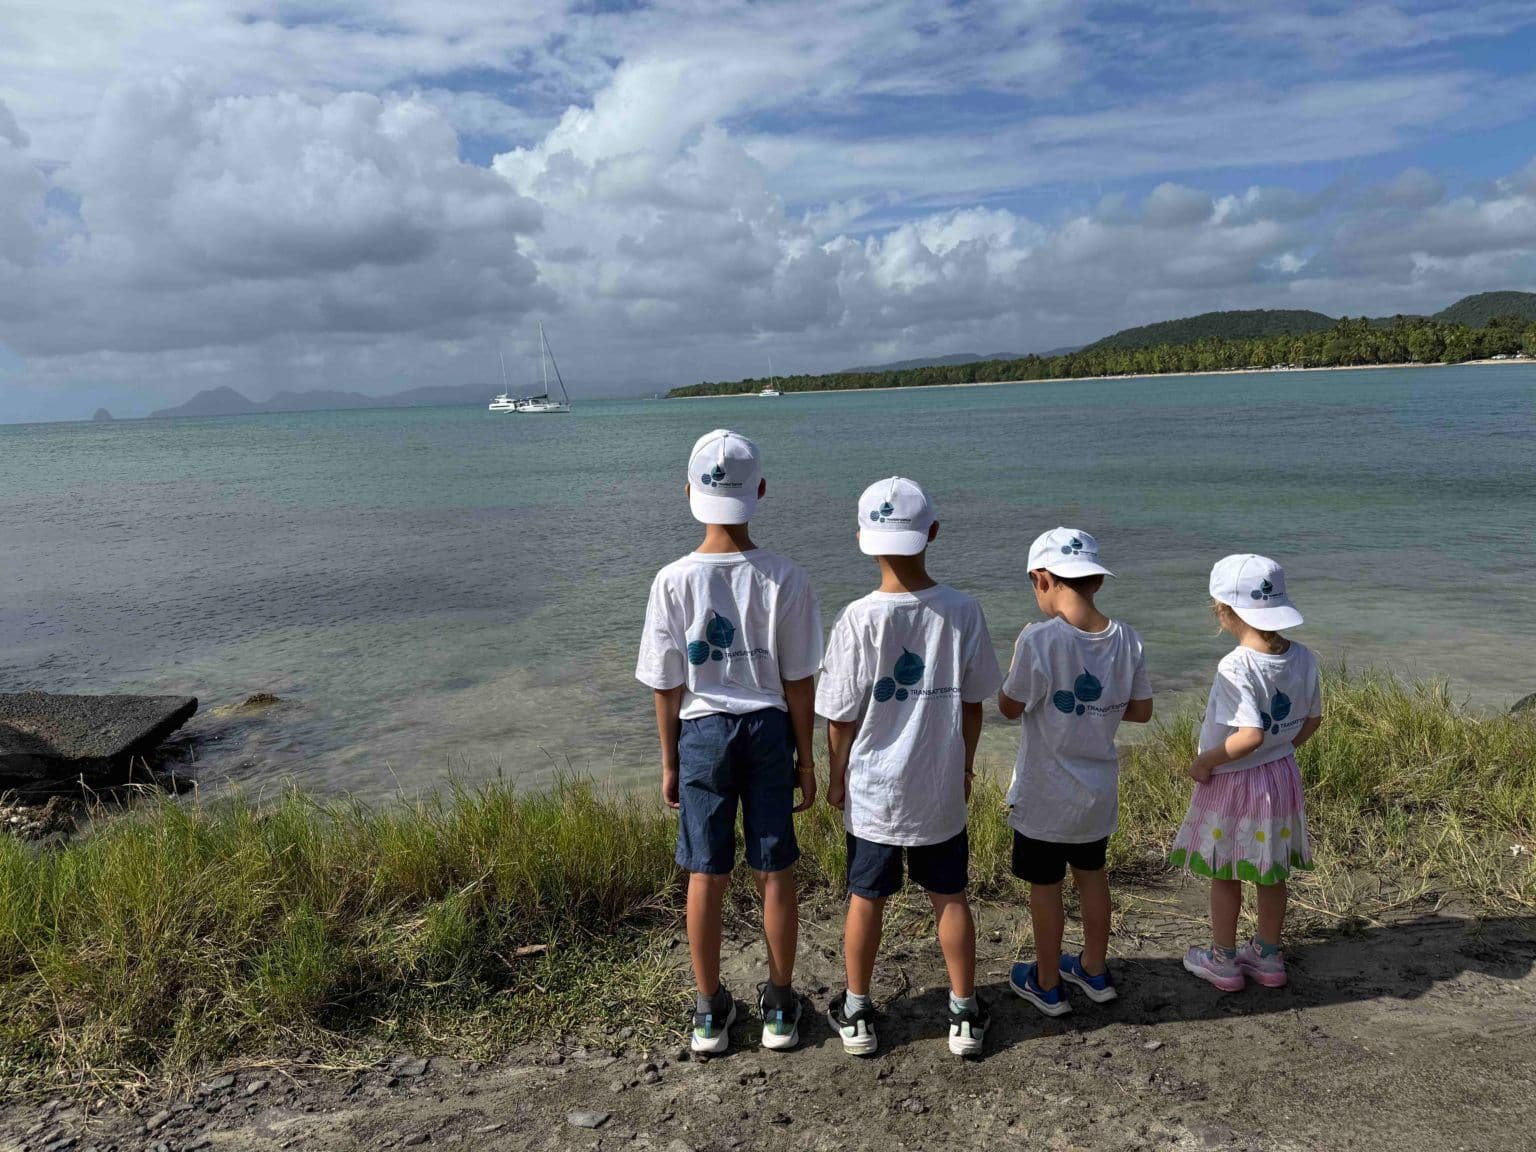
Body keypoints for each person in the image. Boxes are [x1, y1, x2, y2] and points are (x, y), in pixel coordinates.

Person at [635, 429, 822, 1054]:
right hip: (768, 728)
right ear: (760, 492)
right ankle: (778, 1004)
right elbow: (799, 683)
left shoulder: (671, 581)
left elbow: (667, 685)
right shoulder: (786, 577)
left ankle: (710, 1009)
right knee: (775, 869)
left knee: (705, 873)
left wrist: (668, 761)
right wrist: (808, 759)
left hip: (702, 730)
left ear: (688, 492)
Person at [817, 477, 1002, 1058]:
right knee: (949, 896)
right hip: (939, 784)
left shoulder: (857, 618)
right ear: (934, 534)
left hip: (874, 788)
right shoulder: (962, 610)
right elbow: (972, 704)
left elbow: (840, 716)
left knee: (864, 897)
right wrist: (966, 767)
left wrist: (835, 773)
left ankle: (857, 1008)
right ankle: (965, 1012)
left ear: (862, 540)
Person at [998, 528, 1153, 1016]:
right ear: (1097, 583)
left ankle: (1046, 982)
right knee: (1092, 877)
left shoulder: (1040, 639)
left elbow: (1008, 706)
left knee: (1044, 888)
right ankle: (1093, 967)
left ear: (1042, 579)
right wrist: (1097, 710)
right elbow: (1142, 710)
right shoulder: (1127, 639)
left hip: (1045, 795)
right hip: (1096, 792)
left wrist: (1019, 652)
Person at [1172, 554, 1321, 992]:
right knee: (1271, 871)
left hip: (1236, 783)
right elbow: (1312, 719)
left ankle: (1223, 959)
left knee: (1226, 870)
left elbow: (1248, 736)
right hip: (1280, 778)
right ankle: (1269, 957)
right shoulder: (1304, 657)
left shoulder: (1236, 665)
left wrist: (1205, 761)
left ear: (1223, 611)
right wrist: (1283, 749)